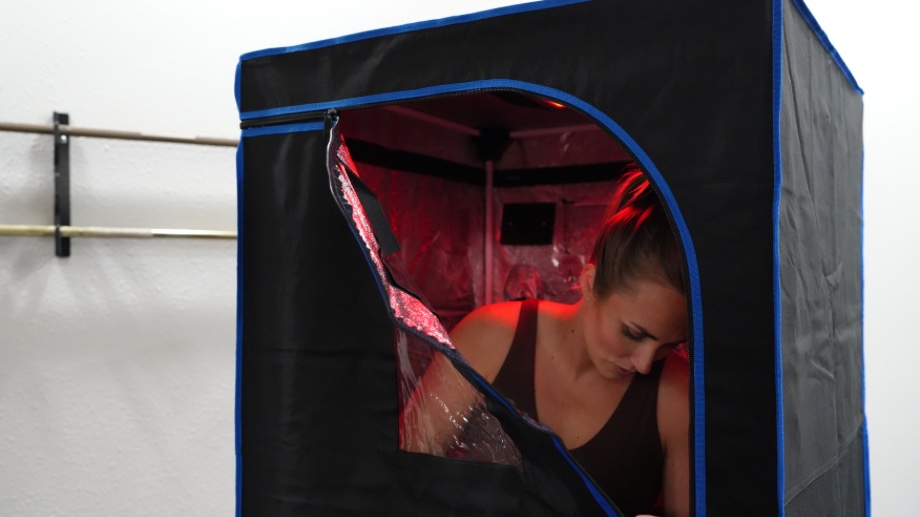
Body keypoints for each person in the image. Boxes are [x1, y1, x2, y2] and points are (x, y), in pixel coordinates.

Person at [403, 166, 690, 517]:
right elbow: (405, 476)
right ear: (589, 281)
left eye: (669, 345)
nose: (646, 363)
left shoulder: (677, 393)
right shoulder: (491, 338)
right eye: (633, 333)